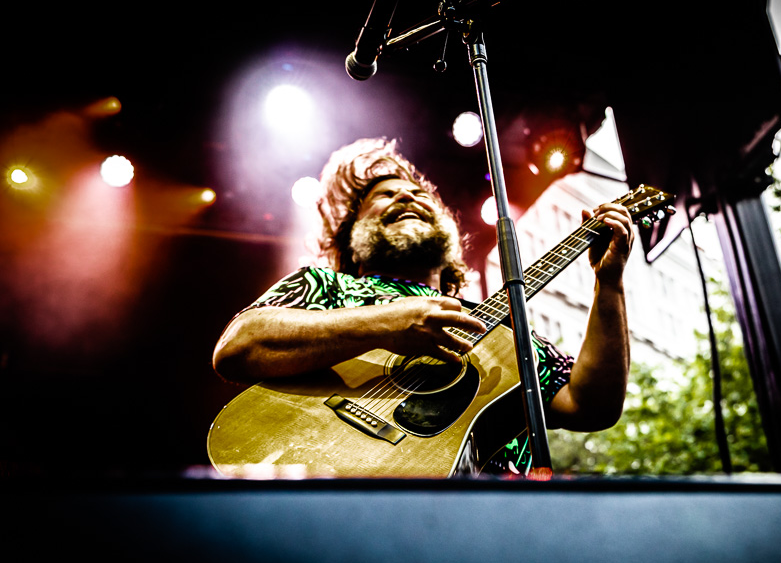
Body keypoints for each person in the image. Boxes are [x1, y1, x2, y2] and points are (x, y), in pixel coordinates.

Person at [212, 138, 635, 475]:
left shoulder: (508, 334)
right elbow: (239, 346)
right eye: (385, 195)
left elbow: (590, 405)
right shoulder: (325, 284)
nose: (407, 196)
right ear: (351, 239)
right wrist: (387, 324)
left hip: (478, 528)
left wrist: (610, 283)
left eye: (418, 194)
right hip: (312, 477)